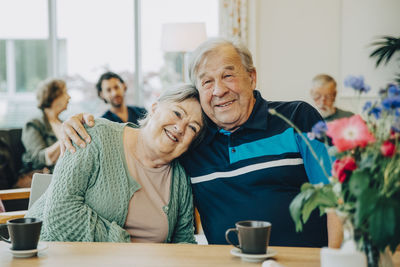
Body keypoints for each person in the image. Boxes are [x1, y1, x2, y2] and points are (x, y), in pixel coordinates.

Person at [60, 38, 342, 248]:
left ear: (252, 77)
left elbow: (336, 199)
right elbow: (146, 141)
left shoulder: (297, 118)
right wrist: (81, 125)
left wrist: (336, 260)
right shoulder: (194, 142)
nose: (219, 90)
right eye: (207, 82)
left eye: (228, 75)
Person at [26, 84, 205, 243]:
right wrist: (129, 250)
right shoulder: (94, 136)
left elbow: (183, 242)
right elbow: (60, 216)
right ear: (154, 108)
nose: (180, 128)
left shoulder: (180, 178)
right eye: (177, 113)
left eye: (193, 127)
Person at [18, 79, 70, 188]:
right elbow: (38, 159)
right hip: (41, 182)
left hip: (63, 178)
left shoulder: (63, 123)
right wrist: (66, 137)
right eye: (65, 92)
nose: (69, 97)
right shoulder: (33, 124)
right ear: (54, 95)